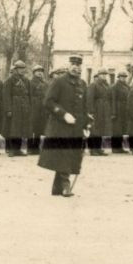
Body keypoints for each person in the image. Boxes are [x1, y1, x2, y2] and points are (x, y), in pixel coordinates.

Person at [38, 54, 88, 196]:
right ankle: (66, 186)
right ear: (69, 65)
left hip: (76, 126)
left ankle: (57, 188)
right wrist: (63, 114)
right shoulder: (59, 82)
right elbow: (48, 102)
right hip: (60, 125)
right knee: (64, 153)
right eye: (73, 64)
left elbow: (84, 107)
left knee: (71, 154)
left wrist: (86, 125)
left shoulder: (82, 84)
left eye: (78, 65)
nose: (76, 67)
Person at [4, 60, 31, 156]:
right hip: (14, 107)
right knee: (13, 129)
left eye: (23, 68)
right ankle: (11, 149)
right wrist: (9, 109)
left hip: (24, 107)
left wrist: (29, 107)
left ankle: (18, 149)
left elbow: (29, 95)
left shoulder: (26, 81)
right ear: (15, 69)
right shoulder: (10, 81)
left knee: (21, 128)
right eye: (20, 68)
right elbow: (6, 96)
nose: (22, 70)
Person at [86, 67, 112, 156]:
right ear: (98, 75)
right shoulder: (93, 85)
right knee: (94, 130)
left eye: (105, 75)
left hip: (104, 110)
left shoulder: (106, 85)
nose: (104, 76)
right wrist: (90, 111)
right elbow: (89, 98)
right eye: (102, 74)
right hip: (96, 109)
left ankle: (99, 148)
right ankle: (93, 149)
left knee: (101, 129)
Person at [26, 65, 48, 155]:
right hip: (33, 107)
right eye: (37, 71)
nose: (40, 73)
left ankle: (36, 147)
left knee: (39, 128)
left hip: (42, 107)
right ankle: (30, 147)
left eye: (41, 71)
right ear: (34, 73)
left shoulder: (45, 83)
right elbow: (29, 95)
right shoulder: (30, 83)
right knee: (31, 128)